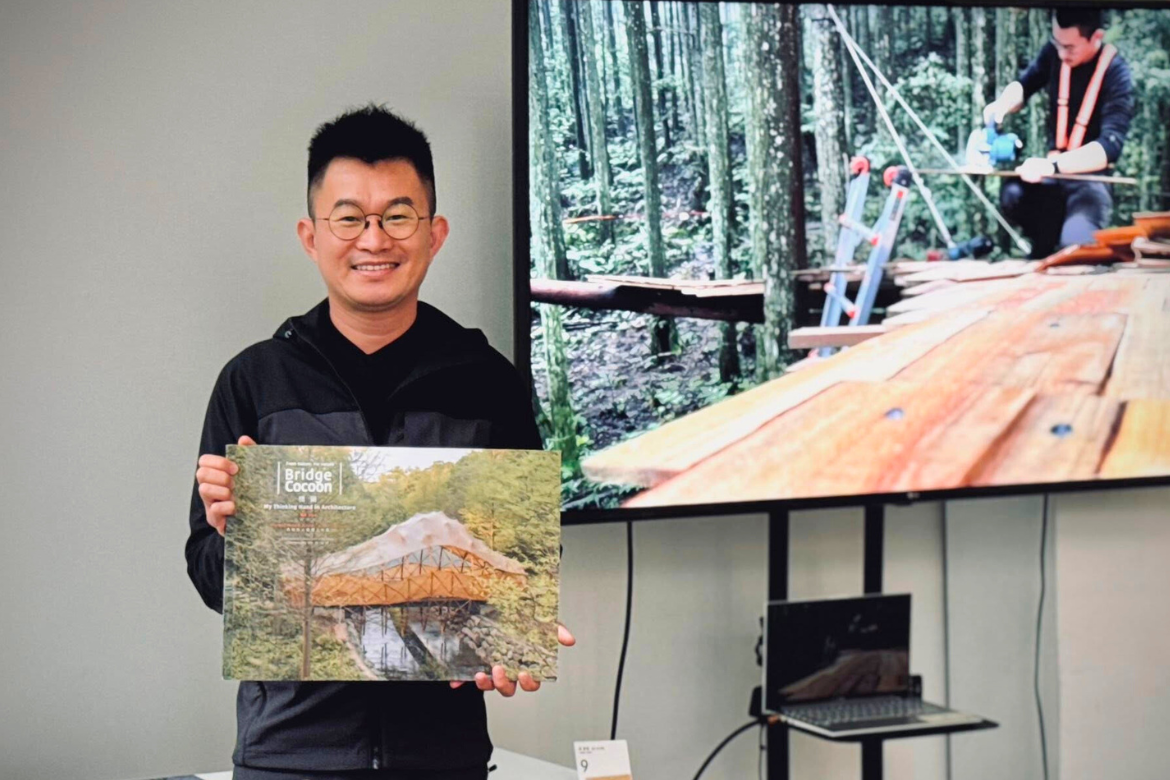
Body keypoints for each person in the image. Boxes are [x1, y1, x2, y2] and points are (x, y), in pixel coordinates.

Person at [186, 105, 574, 780]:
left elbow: (528, 558)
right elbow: (209, 577)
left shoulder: (487, 381)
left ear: (434, 233)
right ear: (311, 235)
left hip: (442, 756)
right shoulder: (254, 381)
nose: (374, 239)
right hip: (288, 756)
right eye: (349, 218)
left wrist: (513, 634)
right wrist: (235, 538)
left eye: (398, 216)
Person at [982, 8, 1135, 258]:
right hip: (1051, 180)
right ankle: (1042, 244)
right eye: (1058, 44)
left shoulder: (1116, 73)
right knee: (1013, 194)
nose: (1062, 54)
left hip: (1090, 180)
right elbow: (1025, 84)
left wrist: (1052, 165)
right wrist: (1001, 106)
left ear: (1096, 37)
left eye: (1071, 47)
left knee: (1076, 247)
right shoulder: (1056, 51)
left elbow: (1109, 146)